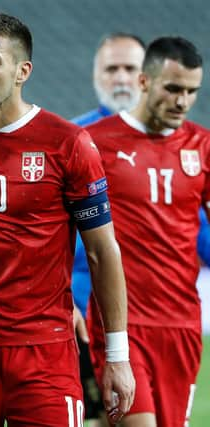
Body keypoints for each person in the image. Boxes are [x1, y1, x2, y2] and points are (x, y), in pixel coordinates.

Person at [0, 13, 135, 426]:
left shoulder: (68, 144)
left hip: (44, 349)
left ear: (23, 71)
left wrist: (117, 357)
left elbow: (103, 251)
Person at [86, 36, 207, 427]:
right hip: (121, 322)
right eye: (172, 88)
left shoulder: (201, 147)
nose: (182, 101)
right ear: (144, 82)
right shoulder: (95, 142)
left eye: (191, 91)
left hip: (181, 324)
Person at [70, 32, 146, 426]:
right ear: (96, 75)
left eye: (130, 69)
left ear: (146, 75)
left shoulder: (181, 148)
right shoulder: (70, 140)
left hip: (153, 314)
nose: (120, 78)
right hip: (82, 311)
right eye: (111, 68)